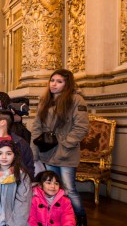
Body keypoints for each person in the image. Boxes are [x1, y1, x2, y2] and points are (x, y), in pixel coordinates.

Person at [31, 69, 89, 226]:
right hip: (48, 152)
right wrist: (34, 150)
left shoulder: (76, 100)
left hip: (66, 154)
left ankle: (80, 218)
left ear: (67, 84)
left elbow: (82, 127)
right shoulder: (45, 100)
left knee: (68, 189)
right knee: (51, 187)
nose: (54, 84)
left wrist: (65, 145)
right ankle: (57, 218)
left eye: (59, 81)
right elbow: (36, 127)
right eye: (52, 80)